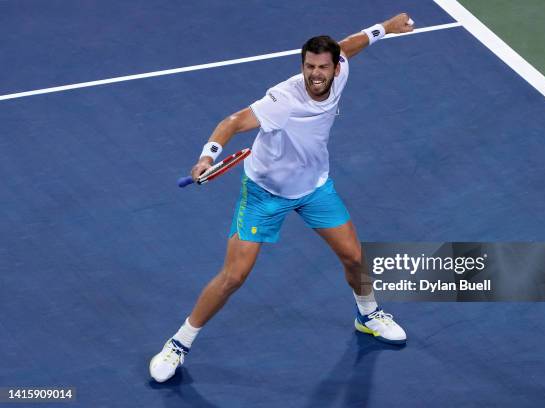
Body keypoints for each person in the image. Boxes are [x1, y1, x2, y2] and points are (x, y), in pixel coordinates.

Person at [150, 13, 414, 383]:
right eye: (309, 66)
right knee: (233, 277)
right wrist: (208, 155)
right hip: (264, 195)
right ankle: (178, 343)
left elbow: (352, 44)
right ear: (302, 65)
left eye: (323, 66)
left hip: (314, 188)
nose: (315, 74)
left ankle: (367, 315)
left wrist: (385, 28)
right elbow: (233, 122)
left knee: (354, 257)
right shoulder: (283, 99)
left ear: (336, 68)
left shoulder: (341, 70)